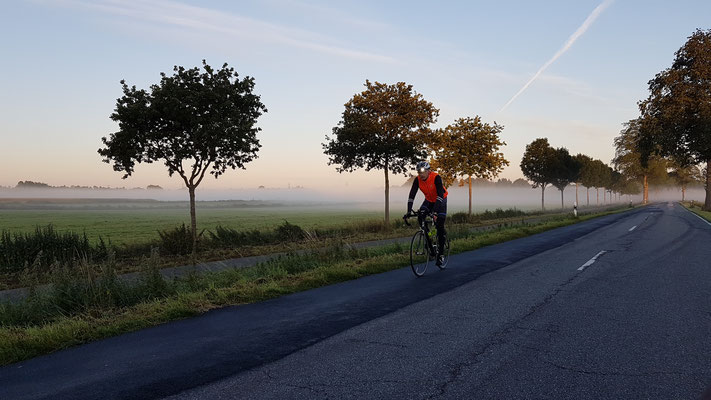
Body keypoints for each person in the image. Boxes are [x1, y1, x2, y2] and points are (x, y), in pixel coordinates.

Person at [405, 161, 448, 266]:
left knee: (440, 226)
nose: (421, 174)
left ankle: (441, 254)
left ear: (429, 171)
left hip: (441, 200)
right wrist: (409, 211)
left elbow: (440, 195)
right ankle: (429, 239)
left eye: (423, 172)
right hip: (429, 200)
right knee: (421, 216)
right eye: (419, 172)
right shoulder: (417, 180)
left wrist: (435, 212)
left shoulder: (436, 177)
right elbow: (412, 195)